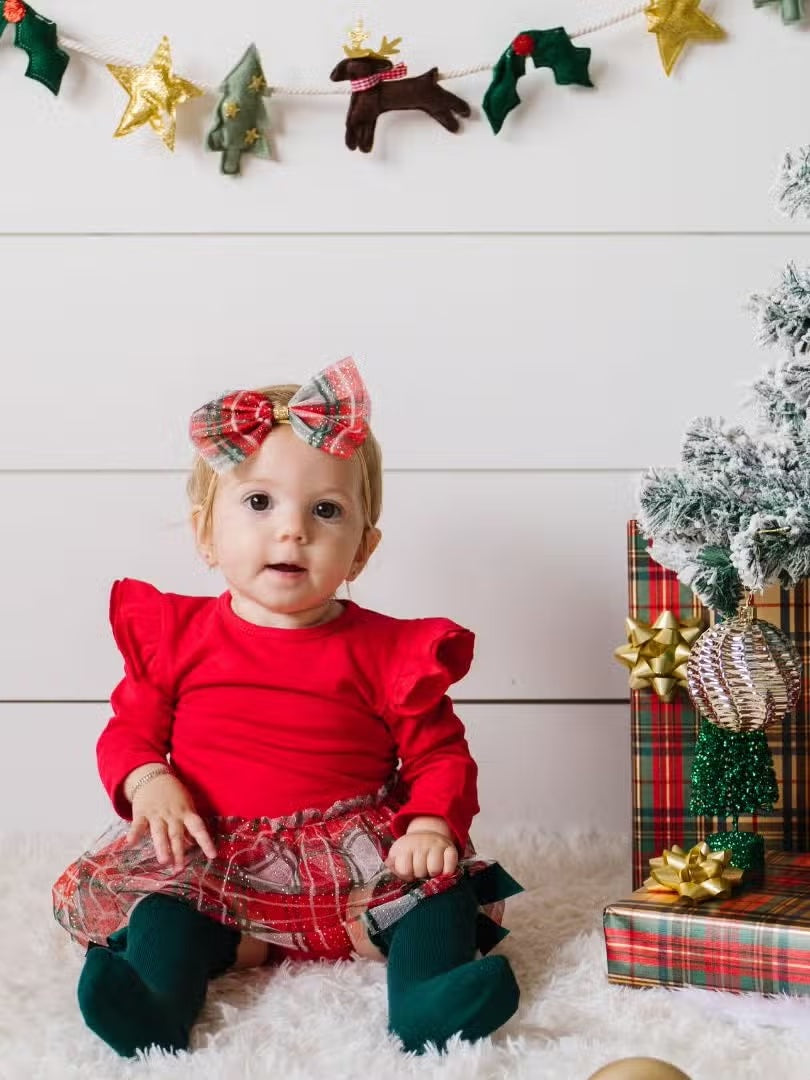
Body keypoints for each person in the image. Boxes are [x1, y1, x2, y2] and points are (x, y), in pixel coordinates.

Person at [52, 357, 522, 1059]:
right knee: (163, 912)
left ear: (362, 550)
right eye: (259, 503)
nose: (292, 530)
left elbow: (439, 754)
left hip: (353, 861)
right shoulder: (176, 637)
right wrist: (149, 779)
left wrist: (428, 821)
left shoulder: (390, 651)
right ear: (205, 533)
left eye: (325, 510)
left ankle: (428, 998)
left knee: (437, 896)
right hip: (217, 859)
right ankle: (155, 1003)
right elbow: (129, 732)